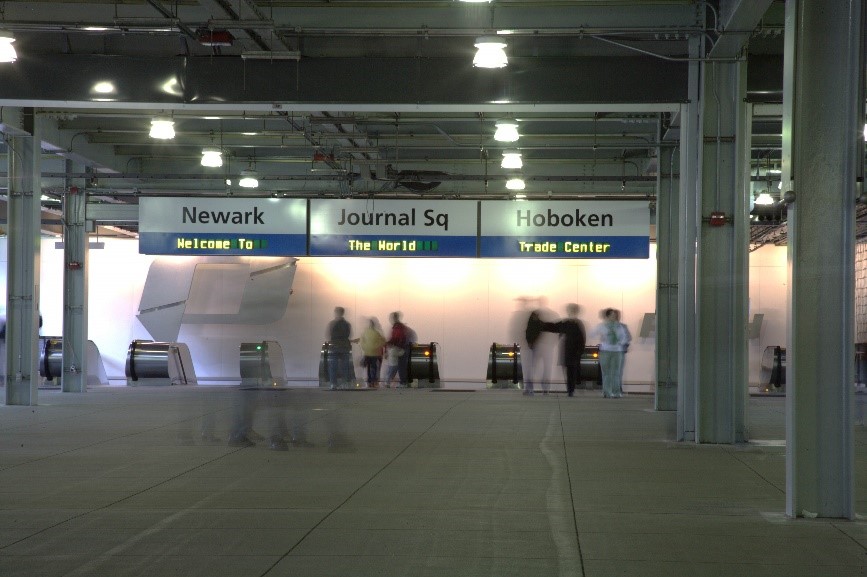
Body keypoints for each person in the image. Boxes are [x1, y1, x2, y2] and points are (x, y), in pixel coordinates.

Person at [543, 303, 586, 397]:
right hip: (567, 351)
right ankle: (570, 390)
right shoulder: (567, 323)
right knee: (569, 371)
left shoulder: (576, 323)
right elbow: (553, 327)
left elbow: (582, 339)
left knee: (571, 371)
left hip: (573, 351)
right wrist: (541, 325)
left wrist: (580, 351)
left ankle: (570, 390)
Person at [590, 308, 632, 398]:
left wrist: (620, 342)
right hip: (605, 351)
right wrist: (602, 337)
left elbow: (625, 337)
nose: (614, 316)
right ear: (607, 316)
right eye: (612, 315)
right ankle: (607, 392)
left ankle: (616, 392)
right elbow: (592, 334)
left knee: (616, 372)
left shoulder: (619, 326)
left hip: (617, 351)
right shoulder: (601, 326)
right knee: (606, 372)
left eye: (614, 315)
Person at [326, 306, 353, 389]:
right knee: (345, 366)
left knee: (333, 366)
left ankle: (333, 383)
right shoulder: (347, 324)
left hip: (334, 346)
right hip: (344, 346)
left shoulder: (332, 323)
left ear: (336, 312)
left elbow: (328, 335)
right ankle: (344, 383)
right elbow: (348, 334)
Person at [357, 318, 386, 388]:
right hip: (375, 353)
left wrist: (365, 348)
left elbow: (361, 342)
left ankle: (369, 381)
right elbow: (383, 341)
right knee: (374, 367)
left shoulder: (365, 332)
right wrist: (377, 347)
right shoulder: (377, 333)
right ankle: (374, 381)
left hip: (367, 352)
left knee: (368, 367)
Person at [386, 311, 411, 387]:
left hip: (400, 348)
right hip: (401, 348)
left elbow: (398, 338)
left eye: (391, 318)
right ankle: (403, 382)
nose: (390, 319)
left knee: (401, 367)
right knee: (401, 367)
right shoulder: (399, 327)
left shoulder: (397, 327)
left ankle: (403, 382)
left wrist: (391, 343)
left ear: (394, 318)